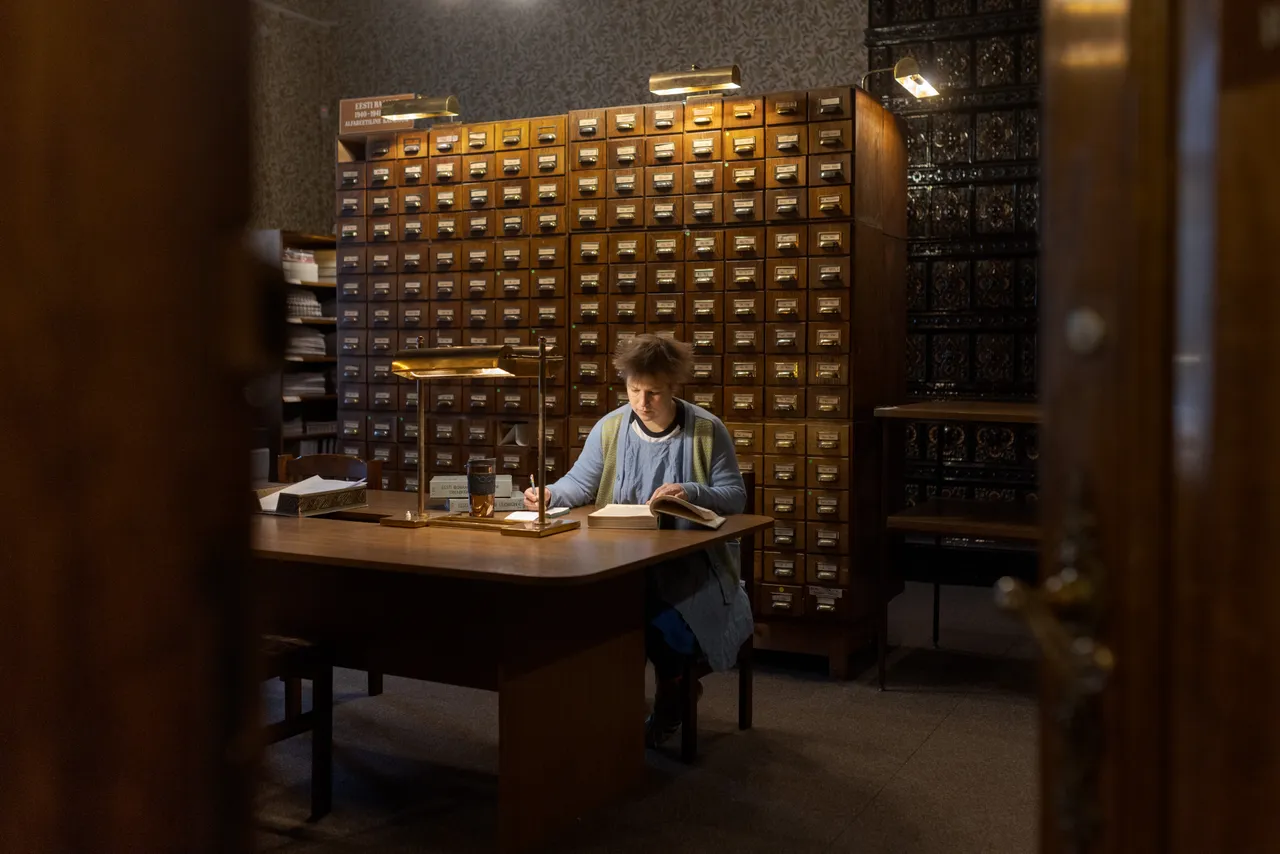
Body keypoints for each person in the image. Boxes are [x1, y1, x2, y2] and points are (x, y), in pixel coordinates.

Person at [523, 333, 752, 747]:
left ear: (673, 387)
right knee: (592, 612)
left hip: (689, 567)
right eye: (634, 391)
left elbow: (735, 495)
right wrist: (551, 494)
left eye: (654, 393)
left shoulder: (705, 431)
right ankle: (604, 709)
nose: (642, 403)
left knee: (655, 617)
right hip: (619, 561)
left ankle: (673, 693)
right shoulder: (611, 428)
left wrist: (690, 491)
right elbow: (581, 482)